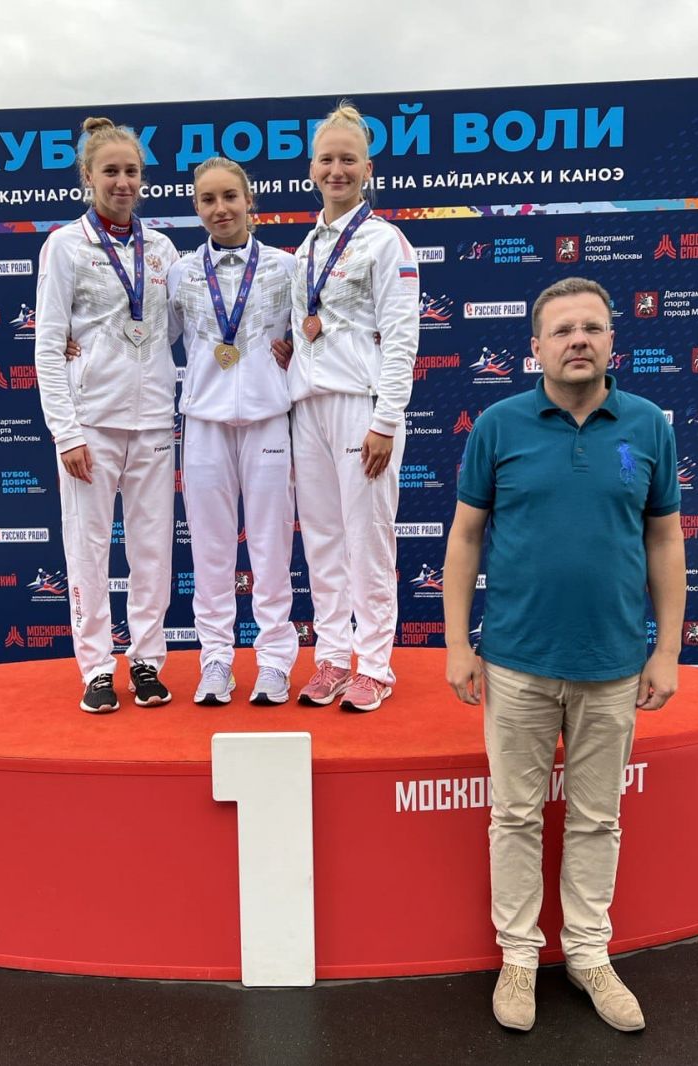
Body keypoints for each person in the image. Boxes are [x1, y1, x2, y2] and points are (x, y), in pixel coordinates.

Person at [443, 277, 686, 1032]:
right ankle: (519, 957)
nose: (578, 339)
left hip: (614, 664)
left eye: (592, 327)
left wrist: (667, 651)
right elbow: (464, 536)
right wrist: (457, 644)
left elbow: (665, 540)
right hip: (516, 660)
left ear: (612, 340)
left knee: (597, 818)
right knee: (515, 815)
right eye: (562, 330)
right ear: (536, 348)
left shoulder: (647, 426)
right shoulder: (499, 425)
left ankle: (587, 953)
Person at [35, 116, 179, 714]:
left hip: (153, 421)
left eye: (132, 171)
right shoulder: (65, 245)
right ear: (88, 177)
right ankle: (96, 667)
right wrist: (66, 432)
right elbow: (48, 345)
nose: (123, 182)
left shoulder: (162, 249)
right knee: (88, 549)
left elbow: (179, 327)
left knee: (152, 550)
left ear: (143, 179)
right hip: (90, 424)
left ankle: (146, 660)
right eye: (111, 171)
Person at [285, 101, 420, 712]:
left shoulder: (385, 241)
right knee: (322, 539)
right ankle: (334, 656)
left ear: (368, 168)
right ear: (311, 168)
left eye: (348, 159)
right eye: (326, 160)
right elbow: (301, 326)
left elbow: (403, 338)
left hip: (362, 408)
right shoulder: (306, 247)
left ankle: (375, 665)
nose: (336, 170)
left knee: (368, 539)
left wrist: (385, 420)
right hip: (307, 408)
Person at [167, 157, 298, 705]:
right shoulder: (180, 272)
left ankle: (274, 661)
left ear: (249, 201)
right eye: (208, 199)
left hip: (268, 421)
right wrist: (81, 344)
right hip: (203, 424)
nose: (220, 208)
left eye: (229, 197)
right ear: (197, 207)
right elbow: (152, 339)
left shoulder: (287, 267)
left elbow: (315, 336)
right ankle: (216, 659)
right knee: (210, 550)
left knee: (271, 547)